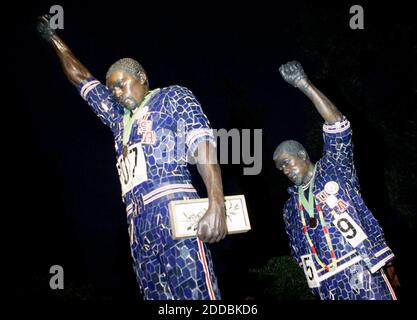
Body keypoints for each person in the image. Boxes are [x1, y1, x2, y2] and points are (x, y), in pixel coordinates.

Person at [38, 14, 227, 300]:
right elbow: (82, 80)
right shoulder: (118, 119)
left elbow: (203, 146)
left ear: (142, 79)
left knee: (194, 294)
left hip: (173, 206)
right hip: (137, 225)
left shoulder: (173, 97)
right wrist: (54, 39)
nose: (116, 93)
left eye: (122, 84)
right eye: (111, 88)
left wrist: (216, 203)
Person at [273, 60, 400, 300]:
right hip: (326, 284)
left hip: (359, 266)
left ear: (302, 155)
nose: (285, 170)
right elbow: (298, 250)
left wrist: (304, 84)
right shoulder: (290, 207)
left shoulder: (333, 168)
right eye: (280, 168)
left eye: (286, 162)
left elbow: (338, 125)